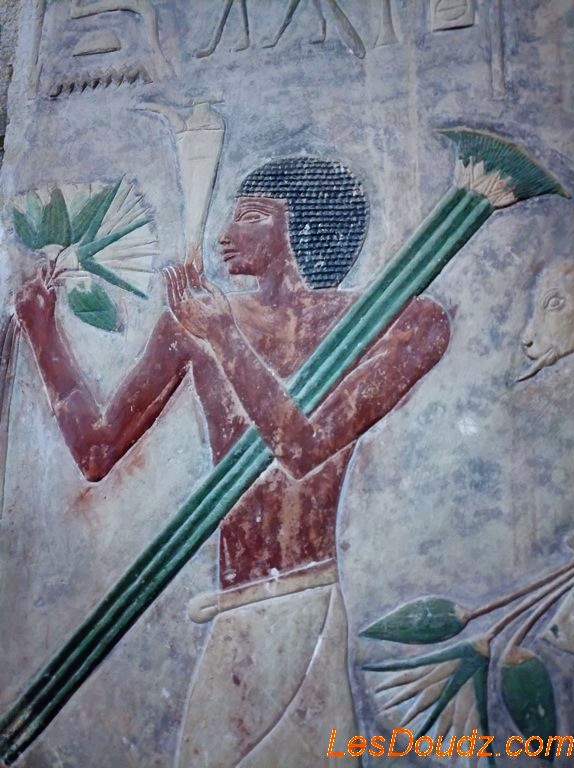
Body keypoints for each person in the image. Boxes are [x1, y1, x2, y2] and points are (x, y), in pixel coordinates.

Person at [16, 157, 451, 767]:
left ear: (303, 229)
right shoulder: (195, 323)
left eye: (249, 216)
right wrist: (43, 334)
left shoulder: (386, 323)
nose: (225, 234)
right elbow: (95, 451)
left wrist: (225, 338)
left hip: (305, 594)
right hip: (239, 605)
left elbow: (301, 449)